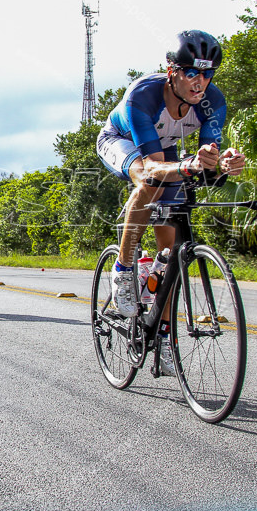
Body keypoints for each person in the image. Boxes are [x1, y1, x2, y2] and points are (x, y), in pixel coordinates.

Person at [97, 30, 245, 375]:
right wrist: (187, 164)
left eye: (208, 74)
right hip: (122, 142)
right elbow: (151, 164)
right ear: (172, 71)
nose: (200, 83)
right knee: (149, 180)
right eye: (192, 73)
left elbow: (206, 159)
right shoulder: (143, 96)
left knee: (172, 252)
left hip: (167, 153)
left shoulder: (214, 103)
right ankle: (123, 269)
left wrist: (223, 163)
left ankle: (162, 334)